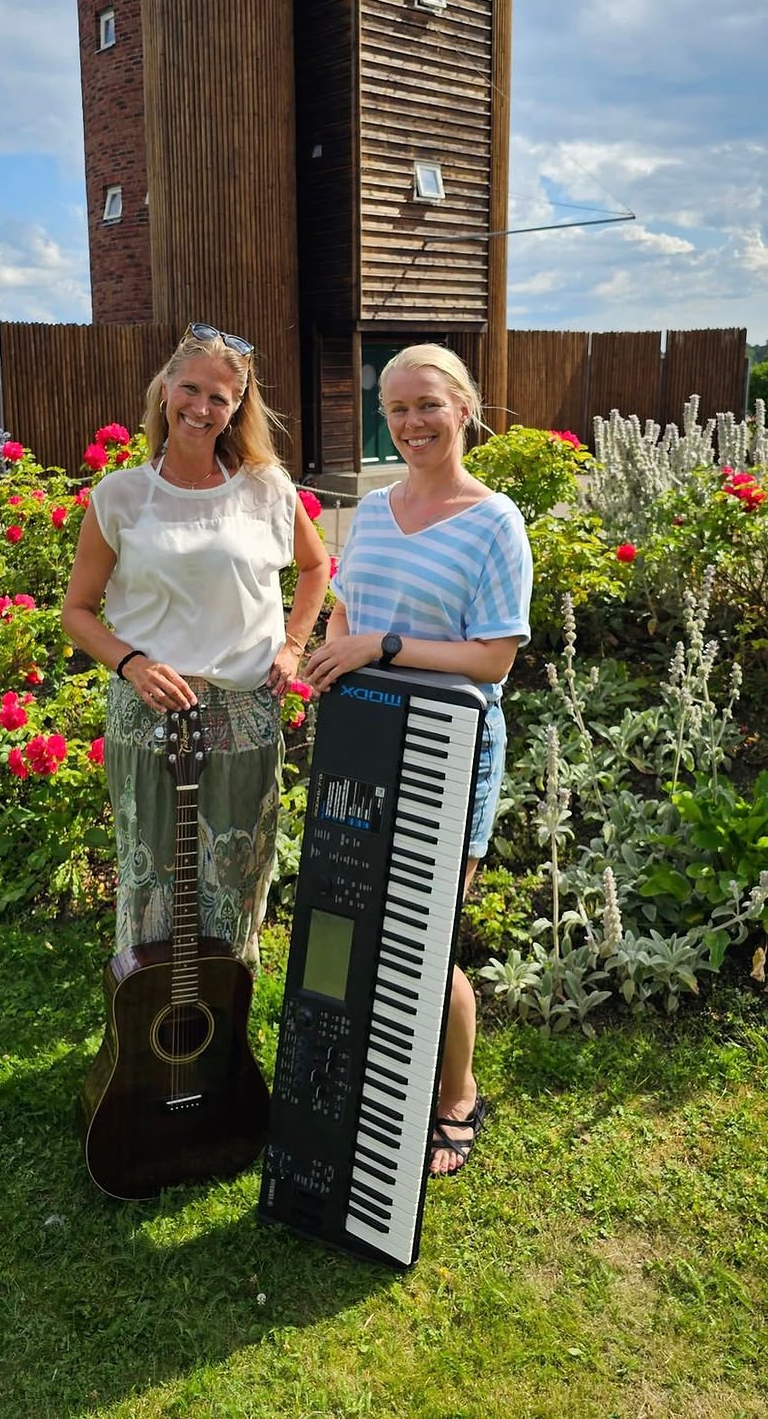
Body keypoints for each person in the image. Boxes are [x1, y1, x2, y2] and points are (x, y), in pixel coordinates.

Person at [305, 344, 532, 1176]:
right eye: (395, 409)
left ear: (464, 408)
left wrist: (384, 646)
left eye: (427, 406)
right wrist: (337, 653)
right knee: (355, 918)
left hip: (447, 749)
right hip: (362, 736)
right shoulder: (371, 508)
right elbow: (344, 610)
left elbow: (493, 660)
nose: (410, 423)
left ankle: (456, 1095)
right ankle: (375, 1072)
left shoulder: (493, 520)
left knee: (425, 939)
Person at [61, 323, 330, 966]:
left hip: (245, 709)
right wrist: (132, 664)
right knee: (151, 874)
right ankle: (151, 1016)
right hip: (149, 712)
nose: (201, 408)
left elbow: (317, 568)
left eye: (220, 397)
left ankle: (222, 1020)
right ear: (164, 391)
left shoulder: (267, 487)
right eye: (190, 389)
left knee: (238, 879)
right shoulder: (121, 495)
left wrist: (292, 646)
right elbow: (77, 612)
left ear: (238, 407)